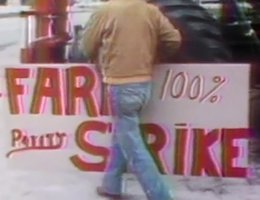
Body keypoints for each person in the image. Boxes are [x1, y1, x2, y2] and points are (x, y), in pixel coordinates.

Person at [80, 0, 181, 199]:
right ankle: (111, 185)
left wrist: (100, 58)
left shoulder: (106, 10)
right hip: (144, 85)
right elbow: (174, 39)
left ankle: (160, 195)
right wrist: (156, 56)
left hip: (120, 85)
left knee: (133, 147)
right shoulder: (151, 11)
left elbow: (86, 46)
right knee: (124, 134)